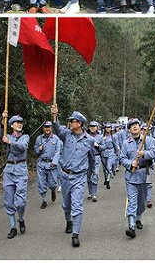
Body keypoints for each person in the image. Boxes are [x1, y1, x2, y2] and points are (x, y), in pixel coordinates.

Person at [51, 106, 96, 248]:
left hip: (79, 177)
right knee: (66, 205)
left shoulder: (89, 140)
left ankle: (75, 234)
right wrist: (54, 116)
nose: (70, 123)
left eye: (73, 121)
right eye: (70, 121)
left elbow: (92, 158)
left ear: (80, 124)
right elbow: (57, 129)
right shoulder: (66, 134)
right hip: (65, 175)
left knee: (77, 206)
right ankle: (68, 221)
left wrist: (92, 172)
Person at [120, 118, 155, 238]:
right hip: (131, 176)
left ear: (140, 127)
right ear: (129, 130)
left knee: (141, 202)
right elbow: (122, 158)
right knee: (132, 201)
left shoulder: (149, 140)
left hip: (144, 175)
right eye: (132, 126)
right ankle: (131, 226)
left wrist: (144, 154)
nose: (135, 127)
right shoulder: (126, 143)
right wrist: (130, 163)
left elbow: (154, 153)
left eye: (136, 125)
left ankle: (138, 219)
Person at [0, 113, 29, 239]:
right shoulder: (7, 135)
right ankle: (12, 226)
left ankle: (21, 218)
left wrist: (10, 142)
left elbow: (23, 147)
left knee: (20, 202)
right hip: (9, 170)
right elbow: (0, 135)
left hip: (21, 170)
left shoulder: (25, 137)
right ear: (11, 125)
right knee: (8, 199)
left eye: (21, 122)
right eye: (17, 122)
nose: (20, 124)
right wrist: (2, 121)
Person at [34, 120, 62, 209]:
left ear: (51, 128)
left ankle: (53, 190)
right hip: (41, 163)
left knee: (53, 183)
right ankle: (44, 200)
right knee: (41, 183)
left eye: (49, 127)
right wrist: (39, 148)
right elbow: (35, 150)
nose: (47, 129)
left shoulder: (56, 138)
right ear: (43, 128)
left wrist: (54, 162)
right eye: (45, 127)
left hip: (51, 164)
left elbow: (58, 151)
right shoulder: (39, 138)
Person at [86, 121, 102, 202]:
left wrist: (98, 146)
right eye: (91, 126)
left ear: (97, 127)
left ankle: (94, 194)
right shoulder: (85, 136)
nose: (92, 127)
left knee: (95, 176)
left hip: (96, 158)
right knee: (88, 177)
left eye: (94, 126)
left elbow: (104, 147)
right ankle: (90, 192)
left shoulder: (100, 137)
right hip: (87, 159)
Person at [99, 123, 117, 190]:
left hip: (111, 152)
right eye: (107, 127)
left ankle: (108, 182)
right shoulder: (102, 136)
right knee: (104, 169)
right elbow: (99, 144)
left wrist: (116, 152)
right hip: (103, 153)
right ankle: (106, 178)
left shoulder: (113, 137)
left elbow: (115, 145)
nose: (108, 129)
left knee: (108, 168)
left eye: (109, 127)